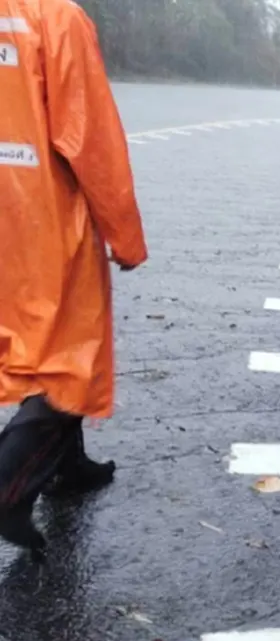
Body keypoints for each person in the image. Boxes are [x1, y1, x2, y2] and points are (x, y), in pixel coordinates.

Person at [0, 0, 147, 552]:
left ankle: (67, 465)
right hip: (39, 215)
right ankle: (7, 484)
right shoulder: (55, 18)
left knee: (26, 340)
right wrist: (125, 236)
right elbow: (91, 142)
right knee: (69, 357)